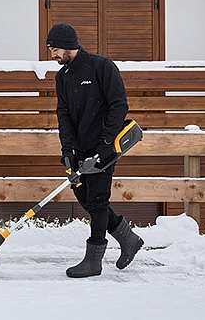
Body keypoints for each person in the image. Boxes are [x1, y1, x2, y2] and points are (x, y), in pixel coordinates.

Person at [46, 23, 144, 278]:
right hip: (78, 149)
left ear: (68, 45)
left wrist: (104, 146)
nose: (52, 55)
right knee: (86, 200)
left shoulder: (101, 66)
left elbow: (119, 105)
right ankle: (129, 239)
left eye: (55, 49)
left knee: (98, 200)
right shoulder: (62, 76)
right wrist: (67, 150)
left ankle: (94, 260)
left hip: (104, 148)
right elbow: (63, 114)